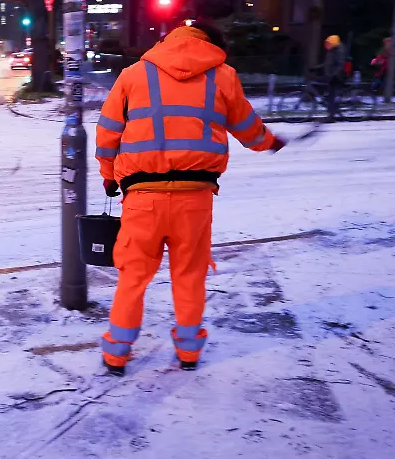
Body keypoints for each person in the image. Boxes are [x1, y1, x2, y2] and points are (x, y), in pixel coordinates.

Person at [95, 22, 285, 375]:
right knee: (189, 276)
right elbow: (246, 127)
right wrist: (270, 142)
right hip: (195, 199)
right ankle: (188, 352)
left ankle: (116, 353)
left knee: (132, 277)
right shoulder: (223, 76)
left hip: (142, 198)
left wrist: (109, 175)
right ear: (211, 43)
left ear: (168, 40)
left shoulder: (133, 75)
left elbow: (108, 133)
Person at [319, 35, 347, 120]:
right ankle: (332, 111)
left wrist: (334, 74)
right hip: (330, 75)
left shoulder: (339, 50)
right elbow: (327, 63)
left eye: (329, 43)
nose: (327, 45)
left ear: (333, 43)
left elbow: (340, 64)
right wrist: (316, 67)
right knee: (328, 95)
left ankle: (331, 116)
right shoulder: (332, 51)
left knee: (331, 96)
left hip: (336, 76)